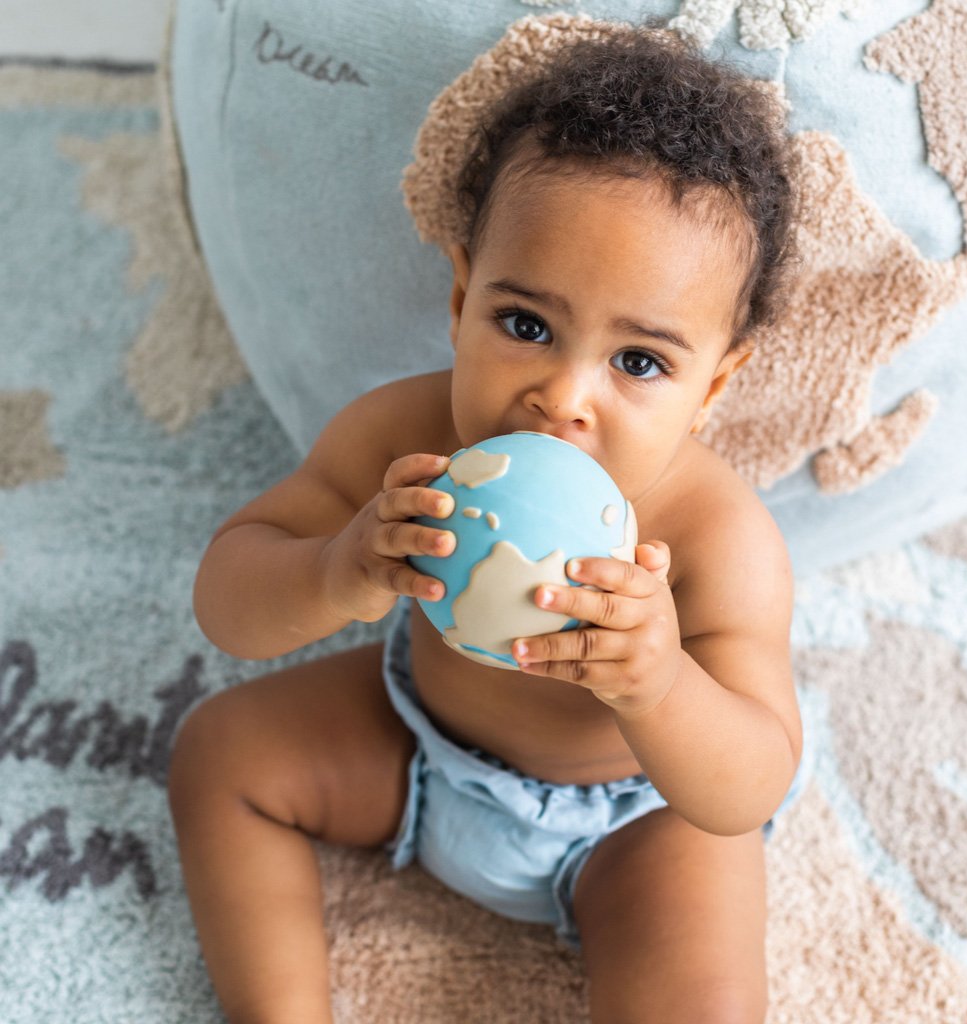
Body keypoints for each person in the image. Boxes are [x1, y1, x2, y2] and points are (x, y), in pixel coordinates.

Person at [169, 22, 804, 1024]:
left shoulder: (720, 537)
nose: (562, 397)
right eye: (526, 326)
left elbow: (750, 781)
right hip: (415, 742)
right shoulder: (402, 437)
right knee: (219, 751)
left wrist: (659, 679)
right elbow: (228, 599)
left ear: (713, 385)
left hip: (633, 829)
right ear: (462, 297)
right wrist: (339, 568)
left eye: (637, 362)